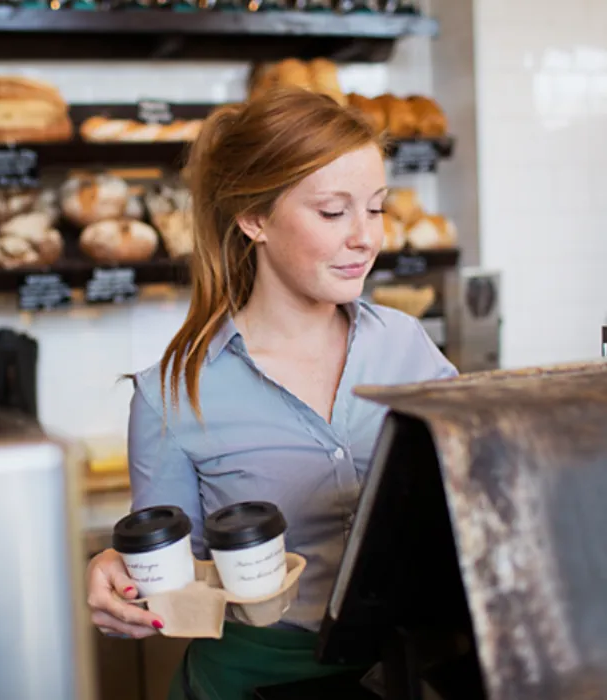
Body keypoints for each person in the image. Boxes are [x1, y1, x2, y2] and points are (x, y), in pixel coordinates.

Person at [86, 87, 458, 699]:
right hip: (260, 681)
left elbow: (474, 486)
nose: (366, 237)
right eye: (334, 213)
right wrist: (120, 572)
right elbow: (172, 582)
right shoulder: (174, 396)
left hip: (409, 670)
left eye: (376, 208)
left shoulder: (406, 344)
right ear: (253, 218)